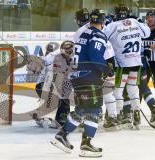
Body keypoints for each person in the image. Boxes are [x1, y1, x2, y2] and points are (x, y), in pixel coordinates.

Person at [51, 9, 110, 157]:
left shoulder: (84, 33)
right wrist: (107, 69)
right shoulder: (98, 35)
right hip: (89, 77)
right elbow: (95, 56)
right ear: (103, 21)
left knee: (82, 109)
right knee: (95, 110)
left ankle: (61, 135)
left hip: (77, 77)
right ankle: (86, 145)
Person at [104, 4, 151, 129]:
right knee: (133, 89)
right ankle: (136, 114)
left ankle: (117, 116)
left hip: (122, 65)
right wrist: (139, 23)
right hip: (136, 63)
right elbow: (147, 33)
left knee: (117, 92)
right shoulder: (135, 22)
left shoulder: (112, 26)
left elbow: (102, 37)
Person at [74, 8, 119, 131]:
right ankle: (112, 118)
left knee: (86, 93)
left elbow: (81, 52)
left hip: (94, 65)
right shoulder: (101, 28)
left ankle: (85, 117)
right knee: (107, 92)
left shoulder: (82, 31)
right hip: (106, 60)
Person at [31, 41, 74, 128]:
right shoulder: (53, 57)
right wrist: (35, 65)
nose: (68, 54)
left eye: (70, 52)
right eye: (66, 52)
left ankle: (45, 116)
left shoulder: (74, 57)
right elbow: (40, 62)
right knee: (58, 97)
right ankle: (51, 118)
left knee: (63, 96)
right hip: (43, 84)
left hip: (57, 83)